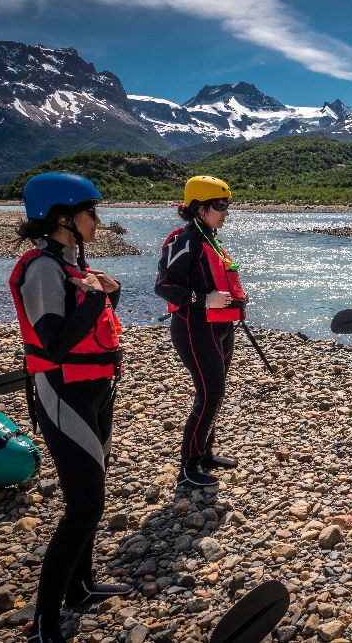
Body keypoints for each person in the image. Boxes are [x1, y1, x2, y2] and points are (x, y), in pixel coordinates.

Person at [9, 172, 132, 643]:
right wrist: (97, 295)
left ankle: (80, 587)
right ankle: (44, 622)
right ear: (64, 218)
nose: (97, 220)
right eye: (91, 212)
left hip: (95, 389)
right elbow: (55, 342)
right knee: (85, 504)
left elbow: (94, 320)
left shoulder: (68, 262)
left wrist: (108, 292)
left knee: (91, 493)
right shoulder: (42, 268)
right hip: (64, 392)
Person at [155, 175, 247, 489]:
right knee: (210, 394)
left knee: (215, 393)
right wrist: (203, 299)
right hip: (195, 329)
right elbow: (164, 286)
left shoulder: (209, 237)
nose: (226, 212)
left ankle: (205, 453)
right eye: (219, 206)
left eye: (227, 205)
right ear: (200, 208)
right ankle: (189, 467)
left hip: (220, 328)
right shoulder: (185, 240)